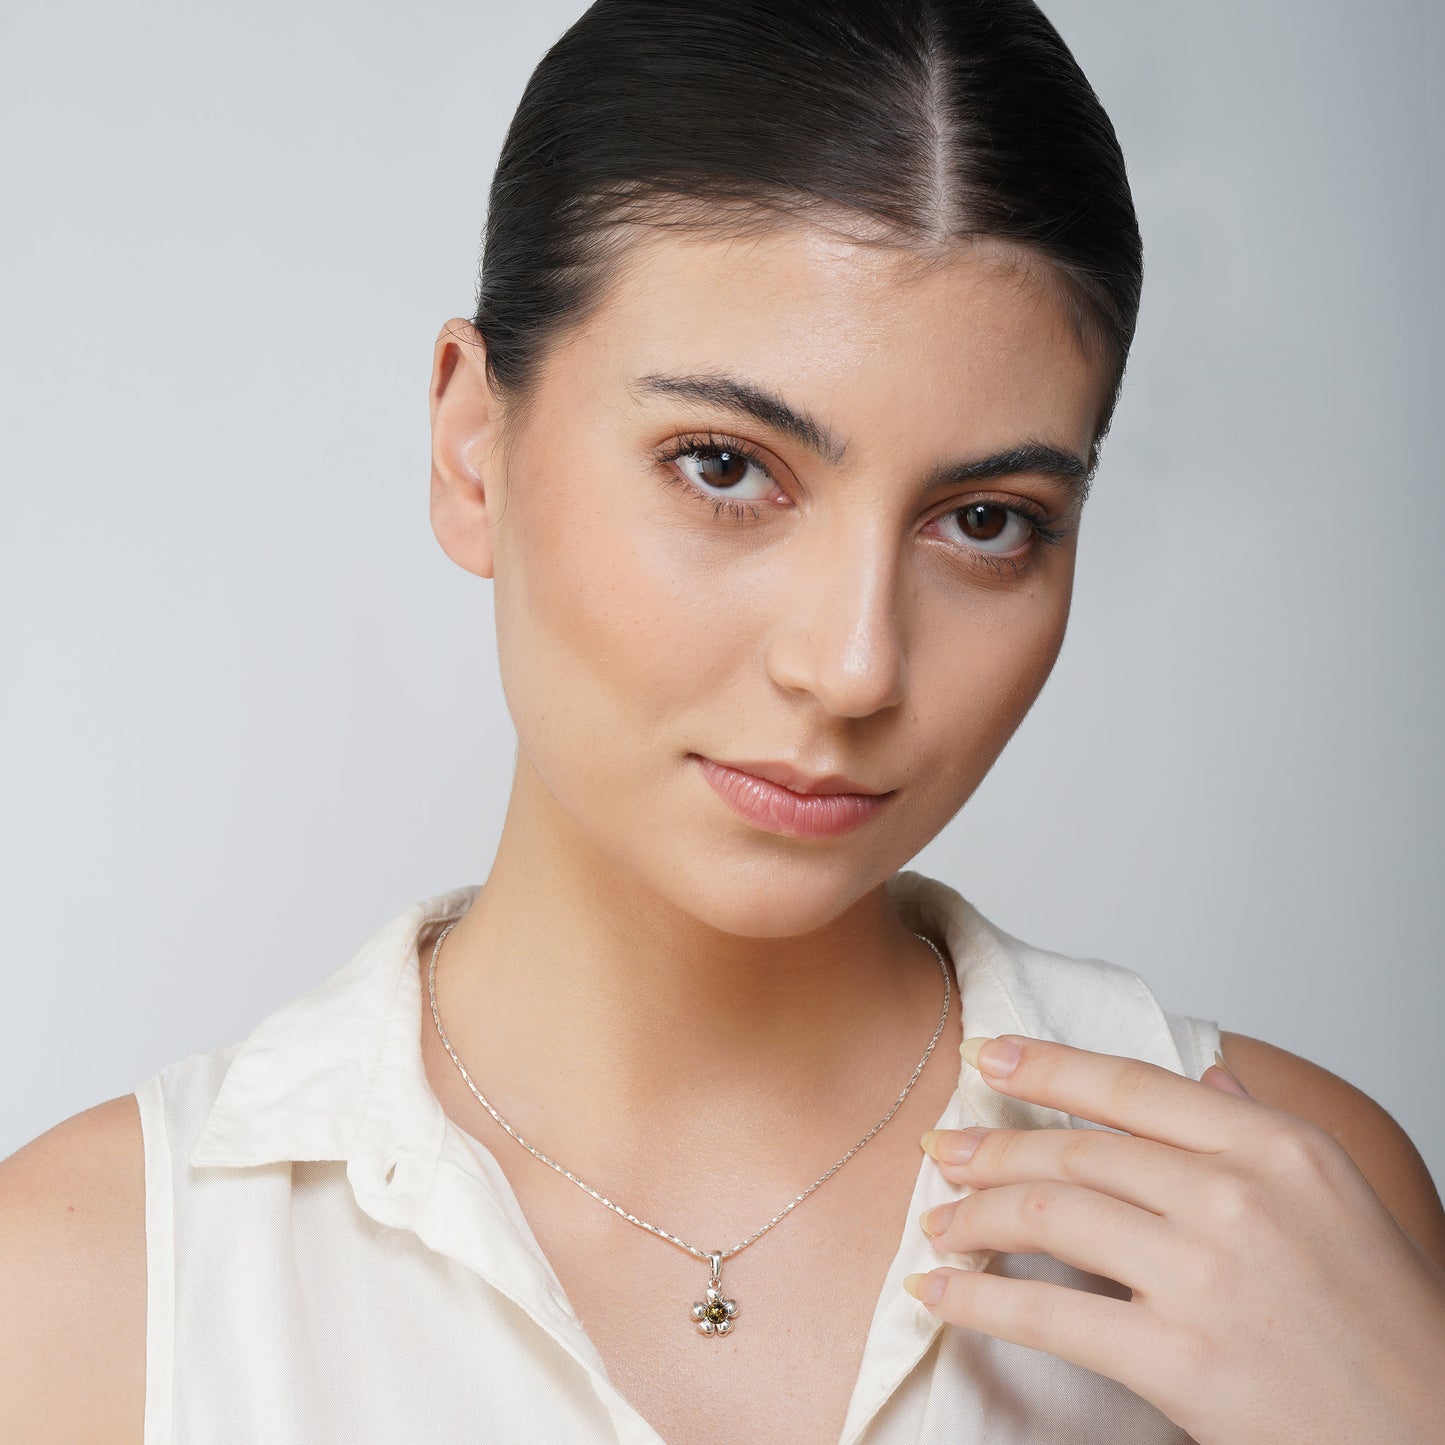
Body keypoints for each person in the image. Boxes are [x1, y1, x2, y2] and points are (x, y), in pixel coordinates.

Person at [3, 1, 1444, 1441]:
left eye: (986, 520)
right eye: (720, 466)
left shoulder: (1288, 1207)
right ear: (471, 447)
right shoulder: (93, 1291)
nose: (853, 664)